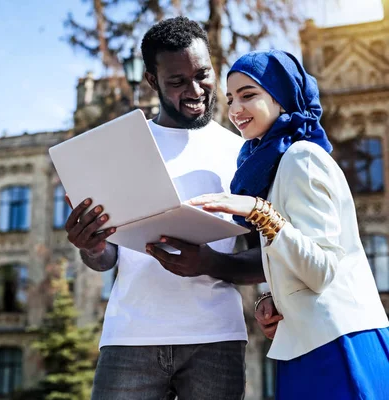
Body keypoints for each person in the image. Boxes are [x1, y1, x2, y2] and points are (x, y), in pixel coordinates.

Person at [65, 16, 264, 400]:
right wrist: (90, 246)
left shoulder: (242, 152)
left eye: (203, 74)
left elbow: (267, 257)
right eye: (177, 81)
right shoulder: (120, 149)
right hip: (129, 339)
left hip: (215, 340)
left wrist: (210, 263)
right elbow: (107, 260)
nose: (196, 90)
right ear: (152, 81)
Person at [189, 50, 389, 399]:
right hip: (309, 342)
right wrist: (271, 294)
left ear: (282, 97)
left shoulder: (301, 157)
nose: (235, 109)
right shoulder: (274, 163)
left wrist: (260, 212)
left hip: (336, 344)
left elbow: (322, 268)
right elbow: (298, 256)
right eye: (231, 98)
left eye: (249, 95)